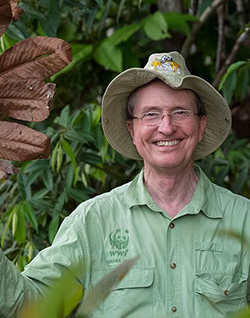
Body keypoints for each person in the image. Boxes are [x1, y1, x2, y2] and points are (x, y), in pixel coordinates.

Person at [1, 51, 250, 318]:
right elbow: (32, 308)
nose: (166, 127)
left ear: (201, 125)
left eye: (179, 112)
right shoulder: (93, 221)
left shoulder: (244, 219)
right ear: (132, 129)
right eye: (151, 114)